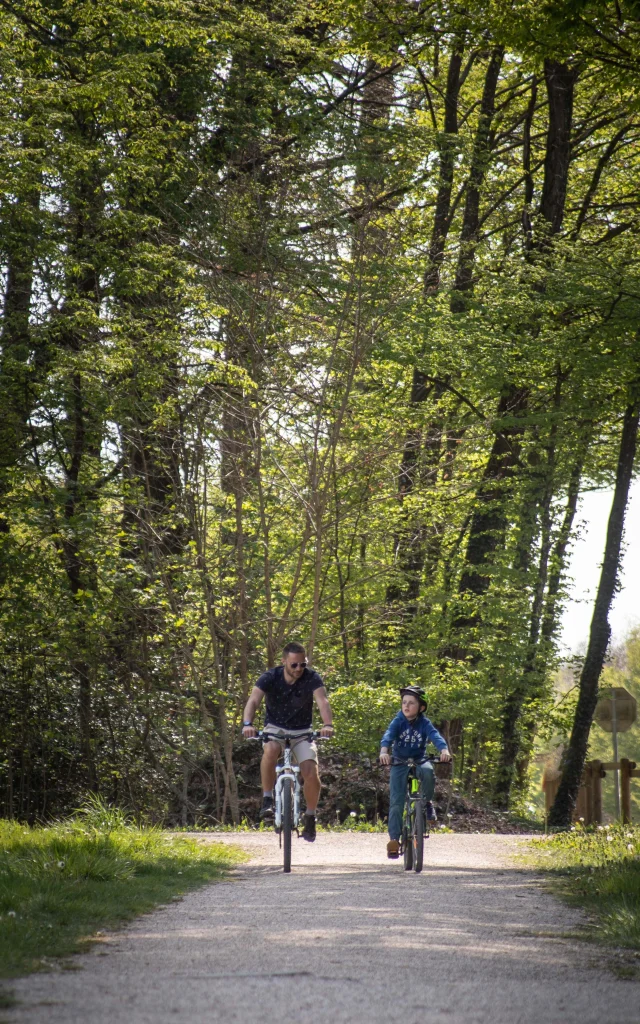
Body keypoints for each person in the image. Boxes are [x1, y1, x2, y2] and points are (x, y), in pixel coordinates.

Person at [242, 641, 334, 842]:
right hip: (275, 729)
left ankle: (310, 816)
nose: (299, 668)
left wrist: (327, 725)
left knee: (310, 771)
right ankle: (267, 799)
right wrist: (247, 724)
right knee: (271, 749)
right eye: (294, 665)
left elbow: (322, 701)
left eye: (303, 664)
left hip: (302, 732)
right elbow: (254, 700)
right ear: (284, 662)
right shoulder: (270, 677)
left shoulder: (312, 677)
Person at [379, 685, 451, 859]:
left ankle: (427, 803)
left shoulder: (424, 723)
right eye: (404, 702)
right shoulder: (398, 720)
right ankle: (394, 840)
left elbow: (435, 736)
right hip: (399, 762)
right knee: (396, 802)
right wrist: (384, 752)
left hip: (420, 760)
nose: (406, 706)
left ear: (421, 707)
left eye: (411, 703)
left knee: (428, 773)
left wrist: (444, 750)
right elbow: (388, 735)